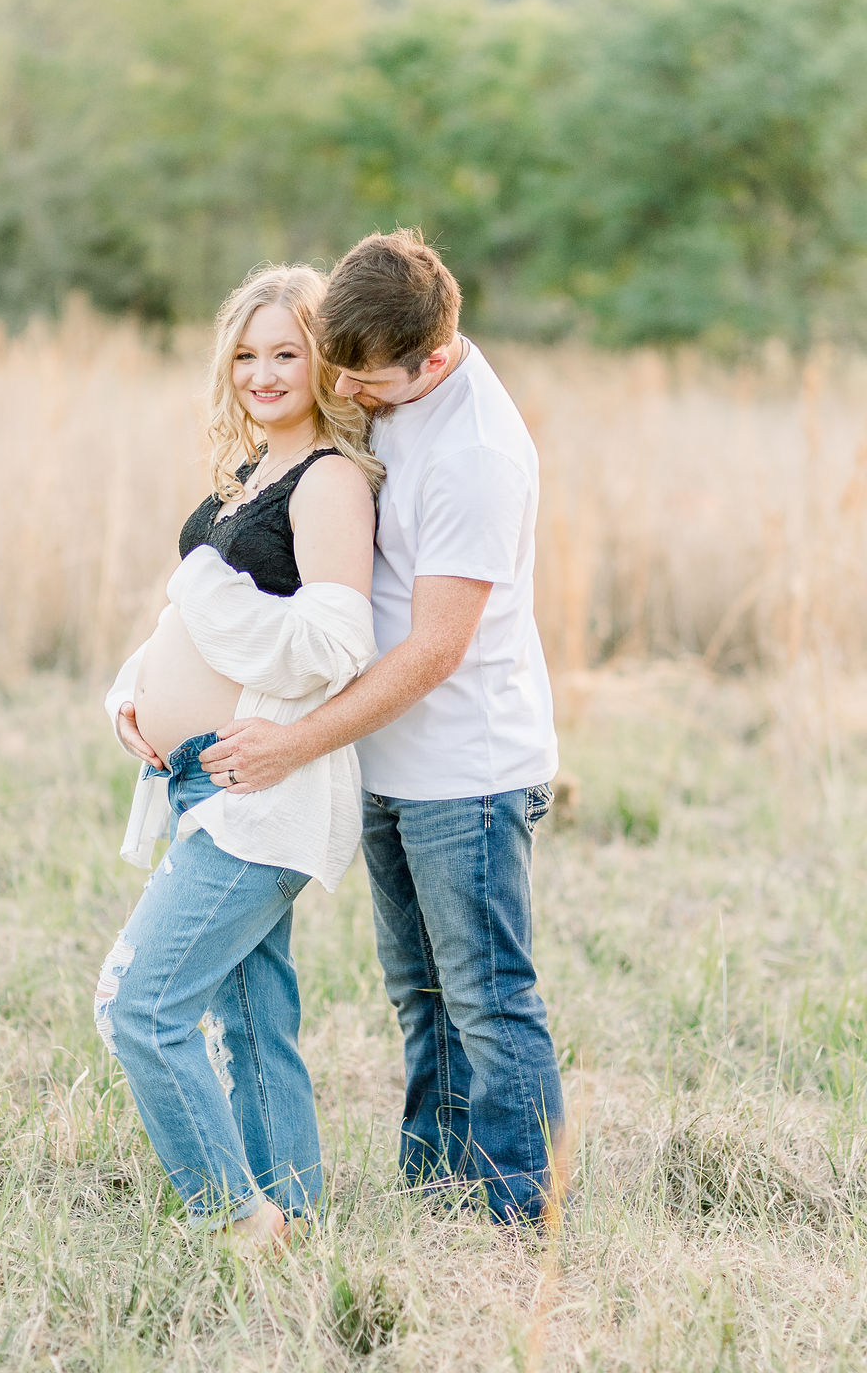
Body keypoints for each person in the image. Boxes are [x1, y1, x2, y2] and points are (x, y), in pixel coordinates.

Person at [200, 230, 565, 1228]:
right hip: (390, 762)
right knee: (420, 998)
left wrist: (297, 742)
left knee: (488, 1001)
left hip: (468, 771)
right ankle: (432, 1190)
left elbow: (435, 650)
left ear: (433, 361)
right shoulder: (390, 380)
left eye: (366, 382)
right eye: (340, 373)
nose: (349, 393)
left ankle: (512, 1219)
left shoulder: (474, 454)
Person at [96, 264, 380, 1247]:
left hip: (265, 791)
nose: (262, 373)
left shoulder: (330, 481)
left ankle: (232, 1220)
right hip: (197, 782)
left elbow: (333, 645)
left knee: (141, 1007)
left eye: (286, 353)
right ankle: (290, 1215)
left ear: (324, 363)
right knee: (250, 1018)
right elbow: (189, 624)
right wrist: (133, 695)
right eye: (247, 354)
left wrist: (206, 592)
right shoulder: (244, 480)